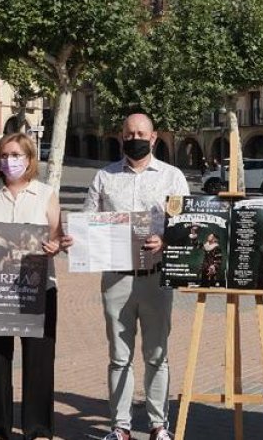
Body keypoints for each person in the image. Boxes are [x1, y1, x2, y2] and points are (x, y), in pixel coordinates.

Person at [80, 113, 190, 440]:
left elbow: (188, 224)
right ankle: (120, 427)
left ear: (154, 137)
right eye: (129, 134)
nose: (135, 138)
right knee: (119, 356)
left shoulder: (172, 177)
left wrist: (167, 240)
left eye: (141, 133)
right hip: (116, 278)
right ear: (121, 137)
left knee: (157, 355)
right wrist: (77, 237)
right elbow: (88, 221)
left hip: (156, 277)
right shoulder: (104, 177)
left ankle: (159, 426)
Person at [0, 132, 66, 440]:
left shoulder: (46, 194)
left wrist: (56, 246)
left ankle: (39, 428)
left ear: (30, 159)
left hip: (38, 287)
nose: (10, 161)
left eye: (16, 155)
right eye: (4, 156)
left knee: (39, 360)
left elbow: (56, 236)